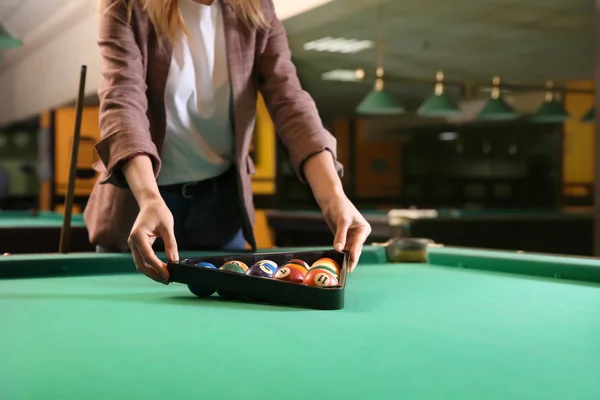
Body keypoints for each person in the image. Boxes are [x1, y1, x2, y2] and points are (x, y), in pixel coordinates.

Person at [84, 0, 371, 284]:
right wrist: (148, 196)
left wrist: (334, 197)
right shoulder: (127, 5)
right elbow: (123, 101)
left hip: (220, 206)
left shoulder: (258, 9)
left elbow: (290, 102)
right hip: (141, 203)